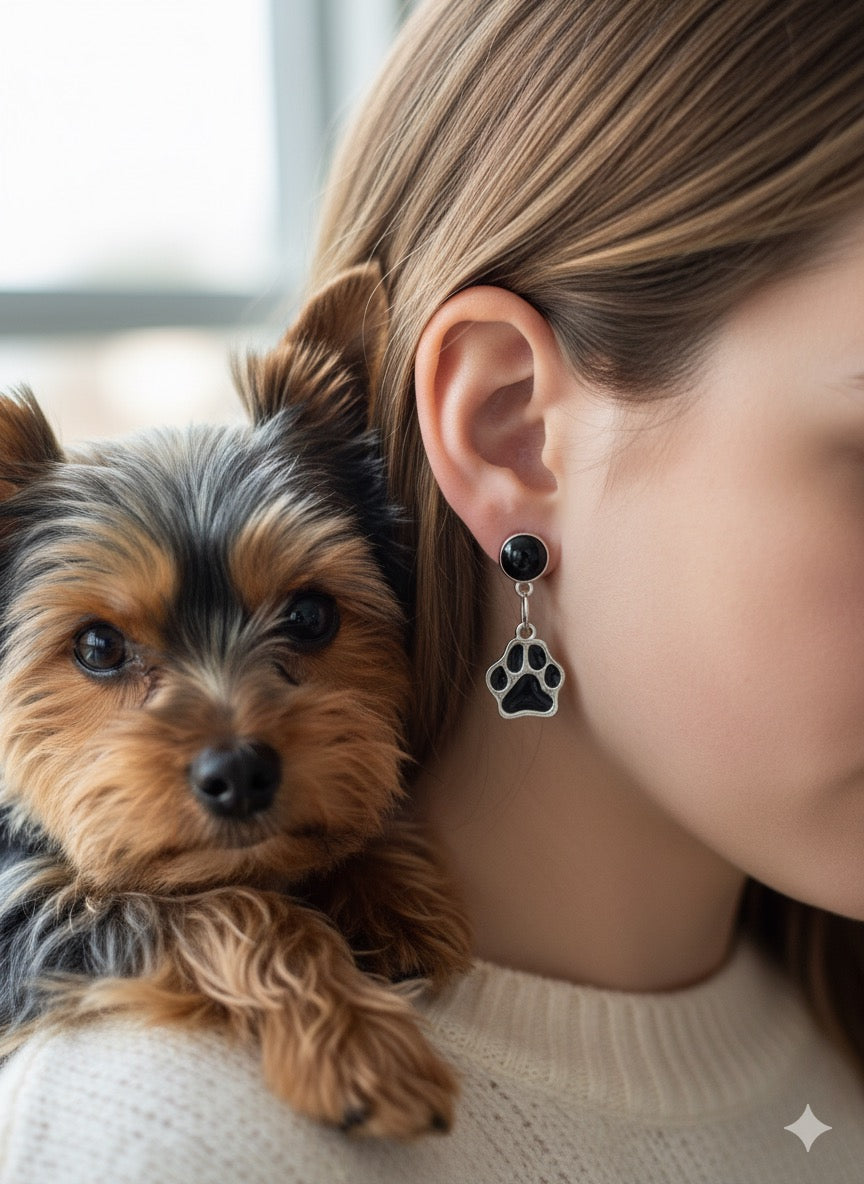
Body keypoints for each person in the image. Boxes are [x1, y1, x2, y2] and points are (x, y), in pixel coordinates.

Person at [2, 0, 864, 1179]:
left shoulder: (817, 1030)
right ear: (508, 425)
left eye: (305, 621)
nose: (229, 743)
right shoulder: (160, 1133)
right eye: (107, 652)